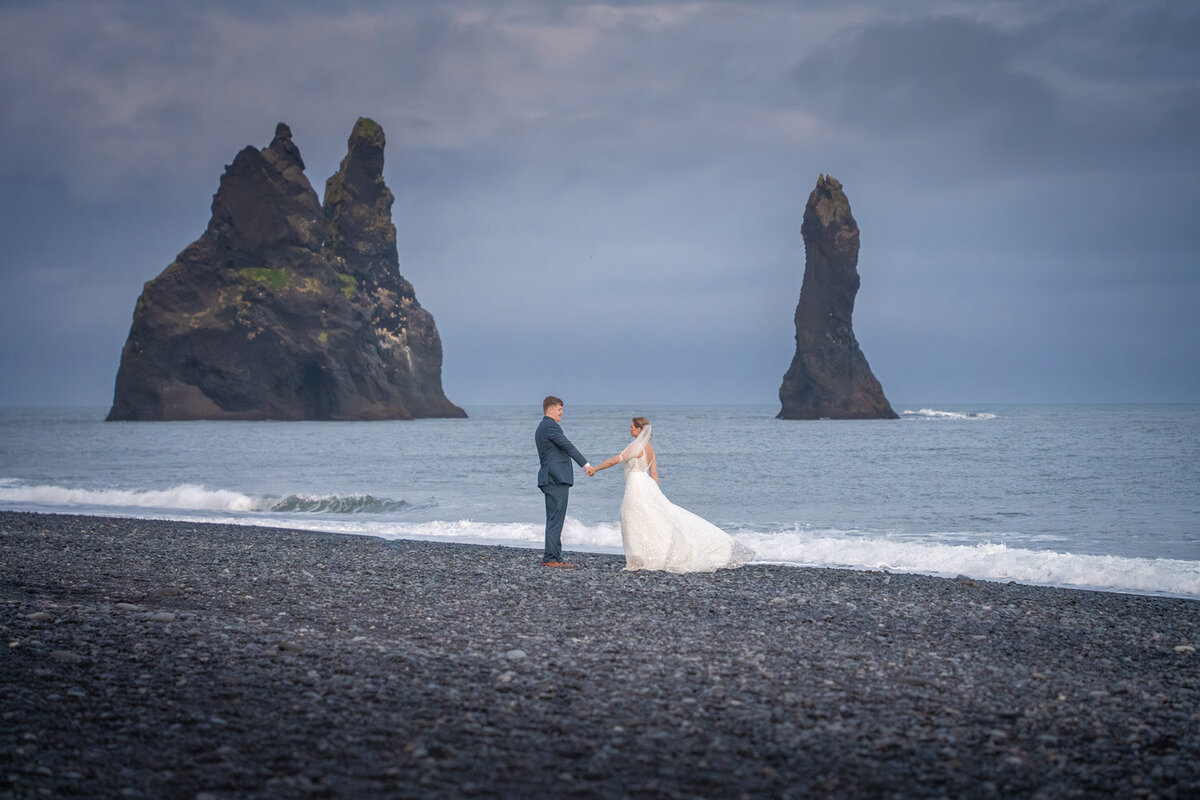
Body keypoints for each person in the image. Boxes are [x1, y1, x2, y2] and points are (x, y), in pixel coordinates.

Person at [591, 416, 752, 572]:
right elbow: (654, 473)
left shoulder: (635, 447)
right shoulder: (649, 447)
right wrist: (655, 493)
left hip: (636, 486)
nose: (629, 429)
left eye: (632, 426)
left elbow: (614, 460)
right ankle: (649, 555)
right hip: (646, 485)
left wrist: (595, 469)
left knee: (632, 518)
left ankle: (639, 558)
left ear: (639, 429)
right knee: (651, 519)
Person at [534, 396, 593, 568]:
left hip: (551, 478)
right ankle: (551, 558)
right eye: (559, 409)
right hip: (555, 478)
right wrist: (586, 465)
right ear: (550, 410)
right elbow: (567, 445)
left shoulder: (543, 427)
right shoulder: (550, 426)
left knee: (554, 518)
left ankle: (555, 557)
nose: (562, 413)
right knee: (555, 519)